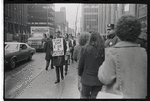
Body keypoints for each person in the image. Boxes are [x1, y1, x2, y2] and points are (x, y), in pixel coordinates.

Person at [98, 15, 147, 98]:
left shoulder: (113, 52)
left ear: (118, 32)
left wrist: (102, 66)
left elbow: (105, 78)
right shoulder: (143, 53)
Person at [78, 32, 105, 99]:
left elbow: (81, 65)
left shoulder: (85, 49)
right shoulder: (103, 50)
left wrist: (80, 74)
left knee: (85, 96)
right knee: (95, 96)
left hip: (86, 79)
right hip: (98, 79)